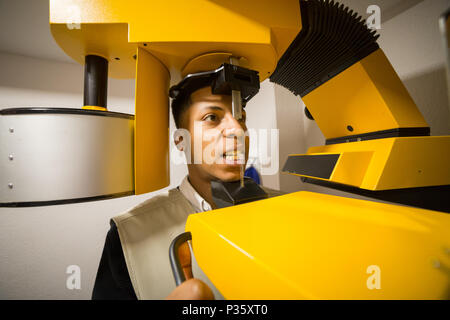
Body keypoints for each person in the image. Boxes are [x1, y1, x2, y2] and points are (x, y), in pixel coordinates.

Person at [91, 83, 285, 300]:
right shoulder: (127, 235)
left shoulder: (290, 211)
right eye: (212, 117)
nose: (238, 130)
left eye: (241, 117)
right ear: (181, 140)